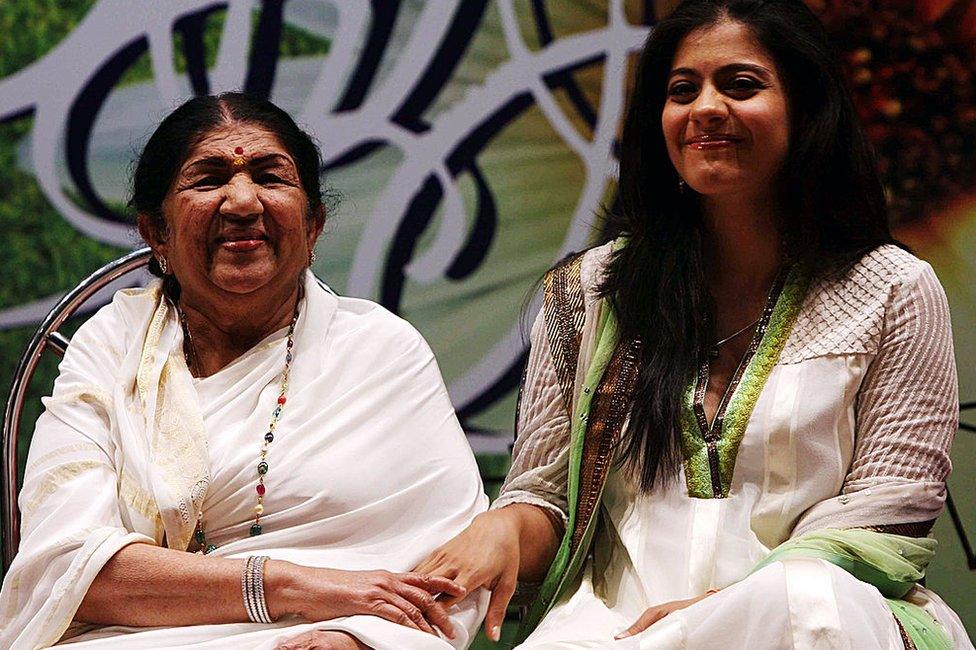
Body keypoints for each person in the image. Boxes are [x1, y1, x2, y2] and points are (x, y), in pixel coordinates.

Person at [415, 1, 974, 648]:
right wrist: (506, 526)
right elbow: (546, 499)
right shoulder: (591, 290)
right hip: (617, 623)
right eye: (683, 90)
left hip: (815, 615)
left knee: (808, 601)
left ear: (806, 108)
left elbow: (889, 508)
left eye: (740, 85)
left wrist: (731, 605)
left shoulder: (893, 289)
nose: (706, 108)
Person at [0, 93, 488, 650]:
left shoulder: (379, 350)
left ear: (314, 226)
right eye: (208, 179)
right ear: (156, 233)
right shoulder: (111, 348)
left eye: (270, 176)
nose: (241, 202)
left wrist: (356, 638)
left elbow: (451, 563)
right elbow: (69, 568)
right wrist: (286, 585)